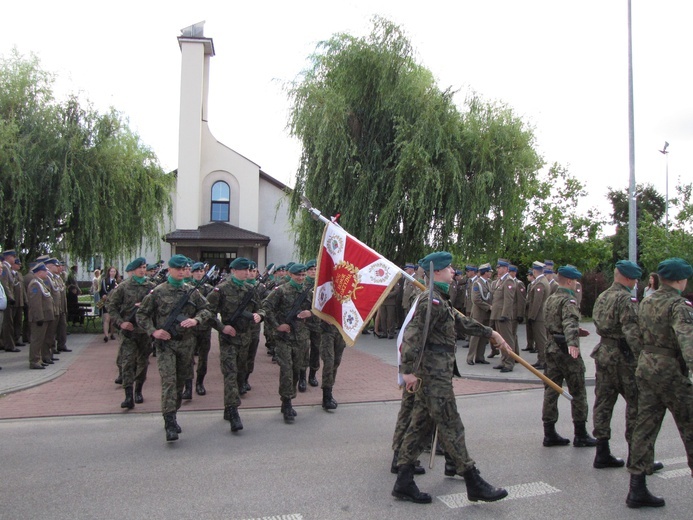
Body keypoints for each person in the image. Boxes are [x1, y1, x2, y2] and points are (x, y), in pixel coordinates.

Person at [393, 251, 510, 504]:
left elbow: (461, 321)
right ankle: (472, 479)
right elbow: (413, 334)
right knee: (451, 424)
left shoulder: (439, 300)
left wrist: (491, 333)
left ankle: (403, 480)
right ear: (437, 272)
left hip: (435, 373)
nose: (453, 272)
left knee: (420, 425)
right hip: (433, 375)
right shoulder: (430, 300)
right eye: (448, 269)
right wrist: (407, 370)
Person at [625, 258, 693, 509]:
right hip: (671, 372)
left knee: (644, 427)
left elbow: (635, 333)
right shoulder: (679, 305)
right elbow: (688, 342)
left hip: (647, 367)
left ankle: (637, 488)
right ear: (679, 280)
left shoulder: (647, 301)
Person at [136, 255, 212, 442]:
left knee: (180, 382)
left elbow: (207, 309)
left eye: (184, 268)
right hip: (166, 345)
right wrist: (154, 332)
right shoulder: (158, 292)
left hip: (186, 344)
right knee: (169, 382)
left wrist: (196, 319)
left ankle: (174, 411)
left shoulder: (191, 291)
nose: (181, 271)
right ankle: (169, 421)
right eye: (177, 268)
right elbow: (142, 315)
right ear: (169, 270)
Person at [206, 257, 264, 432]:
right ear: (233, 271)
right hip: (228, 340)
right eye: (243, 270)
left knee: (240, 374)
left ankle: (228, 407)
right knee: (230, 374)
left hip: (245, 339)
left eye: (249, 270)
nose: (247, 273)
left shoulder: (251, 289)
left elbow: (261, 308)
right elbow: (207, 312)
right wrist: (222, 327)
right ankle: (233, 411)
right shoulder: (221, 289)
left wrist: (259, 315)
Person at [541, 265, 596, 448]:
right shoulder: (569, 301)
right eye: (575, 280)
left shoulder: (551, 299)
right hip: (565, 350)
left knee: (551, 390)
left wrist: (574, 332)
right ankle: (580, 434)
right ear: (570, 281)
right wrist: (573, 343)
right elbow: (569, 323)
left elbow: (552, 323)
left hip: (550, 348)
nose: (576, 284)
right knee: (578, 391)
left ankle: (549, 433)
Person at [262, 263, 313, 423]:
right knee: (286, 370)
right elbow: (266, 308)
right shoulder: (281, 291)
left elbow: (318, 310)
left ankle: (288, 400)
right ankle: (287, 402)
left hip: (301, 338)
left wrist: (310, 313)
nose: (301, 278)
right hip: (284, 338)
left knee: (297, 370)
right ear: (290, 275)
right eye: (298, 275)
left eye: (303, 275)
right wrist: (277, 325)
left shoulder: (308, 292)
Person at [106, 257, 155, 409]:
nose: (142, 270)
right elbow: (111, 307)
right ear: (132, 271)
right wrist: (121, 322)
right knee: (127, 363)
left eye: (144, 267)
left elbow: (160, 308)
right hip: (128, 331)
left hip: (144, 332)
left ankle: (138, 390)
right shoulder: (123, 287)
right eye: (139, 268)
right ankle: (128, 395)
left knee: (143, 362)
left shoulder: (152, 287)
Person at [188, 262, 215, 397]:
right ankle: (188, 386)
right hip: (189, 330)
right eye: (196, 271)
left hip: (204, 328)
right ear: (191, 273)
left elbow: (211, 308)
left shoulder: (209, 289)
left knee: (203, 358)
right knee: (188, 358)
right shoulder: (186, 288)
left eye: (201, 271)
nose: (199, 274)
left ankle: (200, 383)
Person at [490, 258, 516, 372]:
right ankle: (503, 360)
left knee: (507, 339)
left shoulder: (508, 281)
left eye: (499, 267)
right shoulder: (500, 280)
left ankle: (509, 362)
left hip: (503, 315)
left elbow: (508, 300)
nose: (497, 269)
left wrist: (505, 314)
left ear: (505, 269)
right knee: (500, 339)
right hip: (496, 314)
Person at [26, 263, 54, 369]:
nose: (47, 273)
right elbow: (35, 303)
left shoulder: (40, 283)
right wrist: (39, 317)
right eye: (45, 271)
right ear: (39, 272)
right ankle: (34, 361)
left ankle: (39, 359)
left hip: (45, 316)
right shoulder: (35, 284)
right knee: (37, 340)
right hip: (39, 317)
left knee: (41, 339)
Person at [467, 263, 492, 363]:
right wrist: (489, 307)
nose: (490, 273)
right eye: (489, 271)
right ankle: (470, 357)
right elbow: (476, 299)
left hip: (486, 314)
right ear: (485, 272)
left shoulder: (488, 283)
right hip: (478, 313)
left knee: (484, 336)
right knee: (475, 336)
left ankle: (480, 357)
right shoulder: (477, 283)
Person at [527, 261, 550, 369]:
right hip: (540, 315)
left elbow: (537, 302)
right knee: (540, 338)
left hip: (539, 316)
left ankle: (544, 361)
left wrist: (532, 316)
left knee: (541, 339)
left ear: (535, 271)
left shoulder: (540, 283)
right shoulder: (542, 280)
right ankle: (541, 359)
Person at [99, 266, 119, 342]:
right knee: (106, 318)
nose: (113, 273)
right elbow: (101, 291)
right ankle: (106, 335)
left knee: (113, 319)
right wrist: (103, 295)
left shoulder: (118, 281)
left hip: (114, 302)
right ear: (109, 272)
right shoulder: (104, 281)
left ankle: (112, 334)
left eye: (114, 271)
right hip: (106, 301)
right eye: (111, 271)